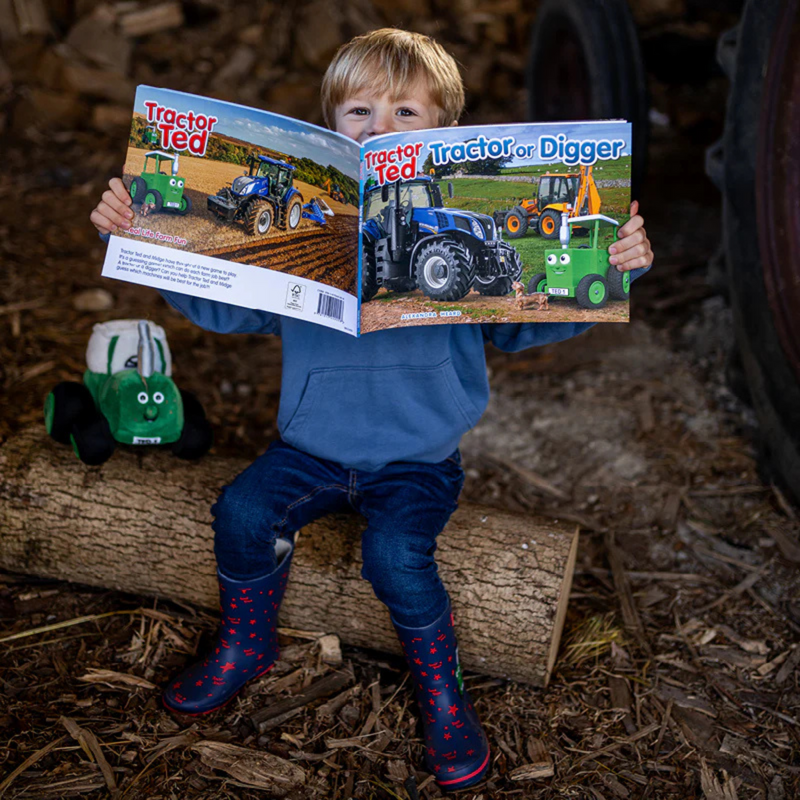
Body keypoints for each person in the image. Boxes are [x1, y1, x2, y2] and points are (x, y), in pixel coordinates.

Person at [90, 29, 653, 791]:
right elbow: (226, 312)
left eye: (404, 111)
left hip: (417, 461)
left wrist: (612, 272)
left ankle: (441, 690)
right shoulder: (316, 233)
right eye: (359, 110)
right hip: (312, 447)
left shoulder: (451, 224)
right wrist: (143, 239)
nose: (379, 126)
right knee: (243, 513)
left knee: (395, 557)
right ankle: (246, 643)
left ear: (445, 133)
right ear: (331, 128)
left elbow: (524, 324)